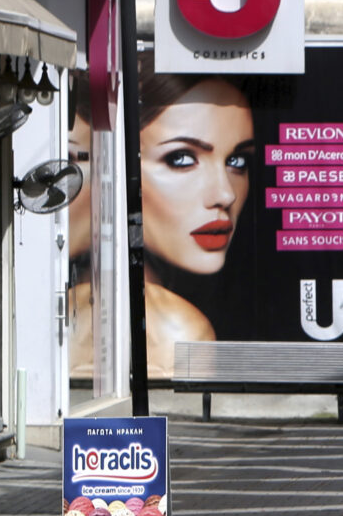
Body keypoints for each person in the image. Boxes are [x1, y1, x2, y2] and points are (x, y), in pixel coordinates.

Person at [69, 62, 254, 380]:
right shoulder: (177, 328)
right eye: (181, 158)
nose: (225, 195)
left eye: (237, 161)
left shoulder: (177, 327)